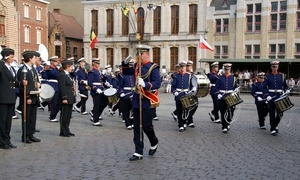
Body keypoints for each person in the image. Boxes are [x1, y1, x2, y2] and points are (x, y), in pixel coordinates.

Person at [129, 45, 160, 161]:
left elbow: (157, 83)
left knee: (146, 126)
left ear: (147, 54)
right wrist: (125, 62)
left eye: (141, 54)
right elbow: (127, 72)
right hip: (137, 100)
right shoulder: (137, 66)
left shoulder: (153, 68)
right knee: (137, 127)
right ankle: (138, 151)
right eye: (138, 54)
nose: (139, 57)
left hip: (147, 100)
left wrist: (146, 85)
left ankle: (154, 141)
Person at [0, 48, 25, 149]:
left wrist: (20, 83)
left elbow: (12, 82)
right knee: (2, 121)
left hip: (10, 97)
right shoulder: (1, 66)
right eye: (11, 57)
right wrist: (2, 60)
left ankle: (7, 139)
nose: (13, 59)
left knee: (8, 121)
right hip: (2, 97)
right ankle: (2, 141)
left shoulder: (11, 67)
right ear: (6, 57)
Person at [17, 51, 41, 143]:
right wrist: (27, 97)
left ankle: (31, 134)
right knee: (26, 117)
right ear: (30, 58)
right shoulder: (23, 70)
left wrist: (38, 84)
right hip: (27, 96)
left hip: (34, 95)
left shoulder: (33, 69)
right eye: (34, 58)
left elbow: (35, 80)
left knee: (32, 117)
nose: (36, 59)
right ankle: (25, 135)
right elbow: (23, 86)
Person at [265, 61, 289, 136]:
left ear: (278, 67)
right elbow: (264, 88)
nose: (275, 68)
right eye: (273, 66)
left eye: (276, 66)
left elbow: (285, 86)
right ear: (271, 67)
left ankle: (275, 124)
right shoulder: (267, 77)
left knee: (280, 113)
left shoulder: (282, 76)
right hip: (271, 96)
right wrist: (267, 95)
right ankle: (273, 128)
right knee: (272, 113)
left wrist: (287, 89)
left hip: (279, 96)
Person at [171, 61, 195, 132]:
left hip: (186, 94)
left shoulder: (189, 76)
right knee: (179, 110)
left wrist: (192, 89)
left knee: (186, 110)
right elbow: (173, 87)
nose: (182, 68)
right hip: (178, 94)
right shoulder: (176, 76)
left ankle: (184, 122)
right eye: (181, 67)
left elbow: (191, 85)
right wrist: (175, 92)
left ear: (185, 67)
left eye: (184, 66)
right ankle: (180, 125)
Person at [215, 63, 238, 133]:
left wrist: (236, 90)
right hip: (222, 96)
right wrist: (218, 94)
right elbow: (216, 88)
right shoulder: (219, 78)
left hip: (230, 96)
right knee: (223, 111)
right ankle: (224, 126)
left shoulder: (233, 78)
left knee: (232, 111)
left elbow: (235, 87)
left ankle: (228, 121)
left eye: (228, 69)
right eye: (225, 69)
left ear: (230, 69)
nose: (227, 70)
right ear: (223, 69)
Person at [87, 58, 108, 126]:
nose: (98, 64)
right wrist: (95, 89)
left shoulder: (98, 71)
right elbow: (89, 82)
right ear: (93, 63)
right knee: (97, 105)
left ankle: (95, 116)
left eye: (99, 63)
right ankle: (95, 120)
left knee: (104, 103)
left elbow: (101, 80)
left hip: (101, 89)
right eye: (97, 63)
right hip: (96, 91)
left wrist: (105, 79)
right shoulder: (92, 71)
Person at [58, 60, 76, 137]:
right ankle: (63, 131)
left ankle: (67, 129)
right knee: (64, 115)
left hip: (70, 97)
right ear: (67, 66)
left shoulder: (68, 75)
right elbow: (61, 87)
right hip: (65, 98)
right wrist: (64, 98)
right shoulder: (62, 75)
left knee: (68, 115)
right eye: (71, 66)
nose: (72, 68)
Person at [119, 56, 135, 129]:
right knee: (126, 110)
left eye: (131, 65)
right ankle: (127, 123)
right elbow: (120, 86)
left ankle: (132, 122)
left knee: (133, 109)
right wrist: (121, 92)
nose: (130, 66)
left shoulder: (134, 75)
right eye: (130, 64)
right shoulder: (123, 75)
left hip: (133, 93)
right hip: (126, 93)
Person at [46, 56, 60, 122]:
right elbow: (56, 75)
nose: (56, 62)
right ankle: (52, 116)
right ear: (51, 62)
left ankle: (53, 115)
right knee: (54, 103)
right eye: (55, 61)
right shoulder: (49, 69)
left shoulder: (56, 69)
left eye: (56, 61)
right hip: (52, 86)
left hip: (57, 86)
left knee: (58, 103)